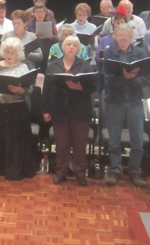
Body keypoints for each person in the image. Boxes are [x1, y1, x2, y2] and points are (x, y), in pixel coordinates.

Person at [0, 38, 37, 181]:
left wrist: (20, 89)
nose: (9, 55)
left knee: (15, 139)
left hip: (16, 107)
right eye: (7, 52)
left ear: (18, 54)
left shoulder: (23, 67)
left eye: (12, 53)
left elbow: (30, 89)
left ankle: (14, 169)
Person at [43, 36, 96, 186]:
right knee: (62, 143)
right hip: (59, 110)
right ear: (62, 47)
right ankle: (61, 172)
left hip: (80, 110)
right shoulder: (53, 65)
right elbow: (46, 89)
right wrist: (46, 110)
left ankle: (80, 173)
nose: (71, 47)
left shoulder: (85, 66)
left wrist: (79, 87)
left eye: (74, 45)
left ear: (78, 49)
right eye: (68, 44)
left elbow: (92, 87)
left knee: (80, 144)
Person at [102, 23, 150, 187]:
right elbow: (106, 79)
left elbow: (147, 78)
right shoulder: (109, 53)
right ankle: (115, 170)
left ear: (132, 39)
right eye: (120, 38)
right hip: (115, 100)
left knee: (137, 139)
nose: (123, 42)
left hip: (135, 100)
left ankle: (134, 170)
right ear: (114, 37)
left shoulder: (140, 53)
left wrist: (133, 79)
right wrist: (124, 77)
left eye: (126, 39)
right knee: (114, 140)